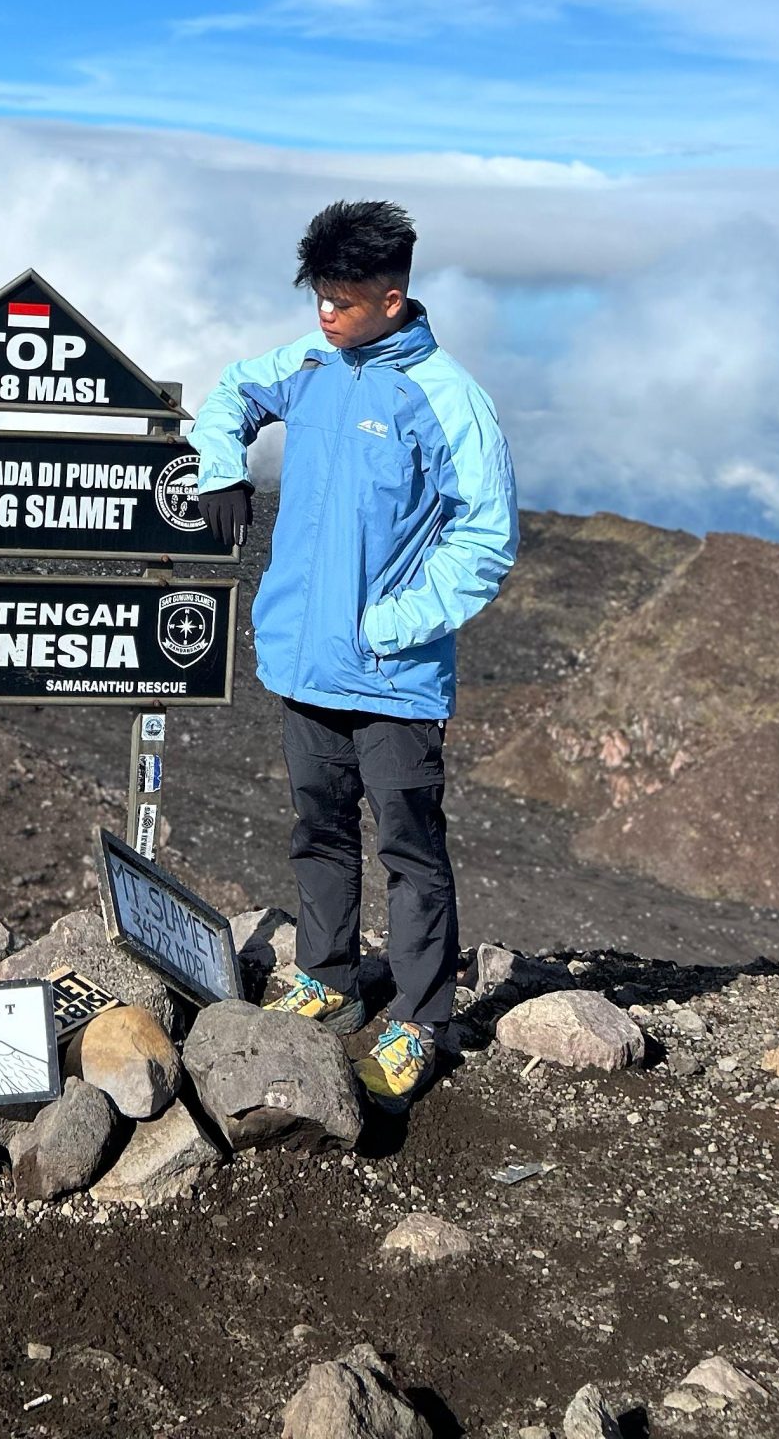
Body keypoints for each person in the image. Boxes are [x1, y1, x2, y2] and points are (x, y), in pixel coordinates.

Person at [190, 198, 517, 1106]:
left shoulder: (450, 399)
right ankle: (328, 979)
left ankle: (420, 1020)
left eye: (341, 299)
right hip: (301, 662)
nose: (324, 314)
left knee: (411, 849)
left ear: (392, 296)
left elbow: (486, 538)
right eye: (318, 296)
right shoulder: (311, 363)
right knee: (319, 830)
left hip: (394, 677)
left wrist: (389, 626)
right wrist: (222, 465)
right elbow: (230, 392)